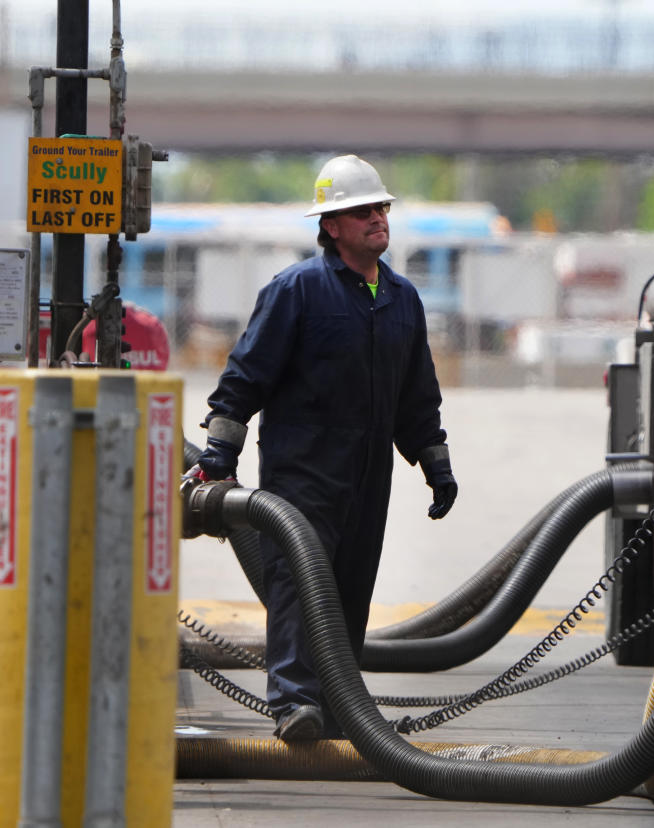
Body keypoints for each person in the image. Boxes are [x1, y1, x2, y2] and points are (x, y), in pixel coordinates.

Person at [186, 155, 458, 741]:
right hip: (303, 470)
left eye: (381, 208)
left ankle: (337, 704)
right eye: (363, 211)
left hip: (367, 474)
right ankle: (293, 704)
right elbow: (243, 381)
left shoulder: (402, 299)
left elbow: (417, 395)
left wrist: (436, 463)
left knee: (353, 585)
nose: (377, 219)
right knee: (297, 580)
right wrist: (216, 459)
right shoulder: (296, 291)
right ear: (331, 226)